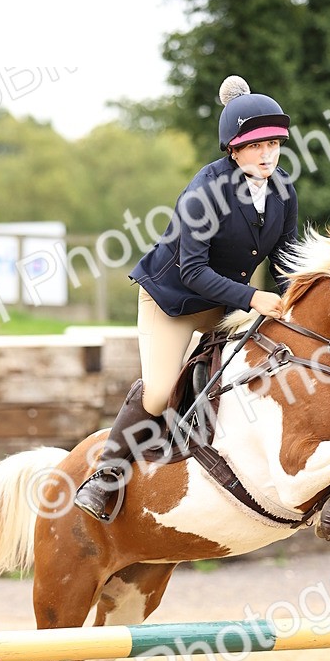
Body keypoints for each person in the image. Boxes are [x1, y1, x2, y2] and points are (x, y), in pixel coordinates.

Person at [74, 75, 299, 521]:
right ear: (233, 149)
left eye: (273, 144)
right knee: (160, 393)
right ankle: (106, 475)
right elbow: (192, 271)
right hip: (173, 301)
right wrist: (254, 298)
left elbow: (285, 259)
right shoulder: (204, 193)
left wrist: (295, 301)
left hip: (226, 304)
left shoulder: (283, 190)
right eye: (256, 146)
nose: (267, 155)